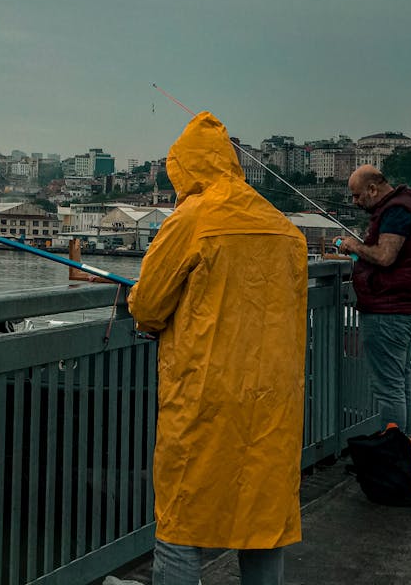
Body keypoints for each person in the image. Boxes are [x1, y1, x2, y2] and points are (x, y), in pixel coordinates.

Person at [128, 111, 308, 585]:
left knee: (183, 520)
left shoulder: (191, 220)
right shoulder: (282, 226)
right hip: (273, 400)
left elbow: (147, 306)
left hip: (204, 395)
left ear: (183, 168)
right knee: (264, 522)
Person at [337, 164, 411, 436]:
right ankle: (403, 455)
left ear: (373, 189)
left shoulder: (396, 211)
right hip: (400, 309)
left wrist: (353, 246)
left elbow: (385, 256)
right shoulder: (403, 205)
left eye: (357, 196)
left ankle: (394, 460)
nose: (355, 202)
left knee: (389, 390)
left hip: (388, 311)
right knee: (400, 385)